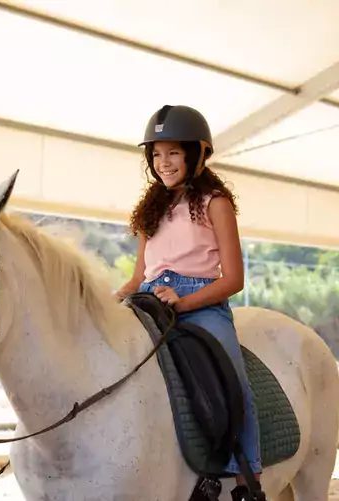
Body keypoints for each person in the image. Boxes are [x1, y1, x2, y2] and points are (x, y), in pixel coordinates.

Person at [114, 105, 263, 500]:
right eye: (157, 155)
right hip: (149, 296)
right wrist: (117, 296)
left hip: (201, 302)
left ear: (197, 154)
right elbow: (137, 274)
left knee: (234, 380)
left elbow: (233, 279)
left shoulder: (216, 203)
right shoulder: (152, 206)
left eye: (173, 153)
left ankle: (246, 474)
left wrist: (183, 302)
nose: (164, 163)